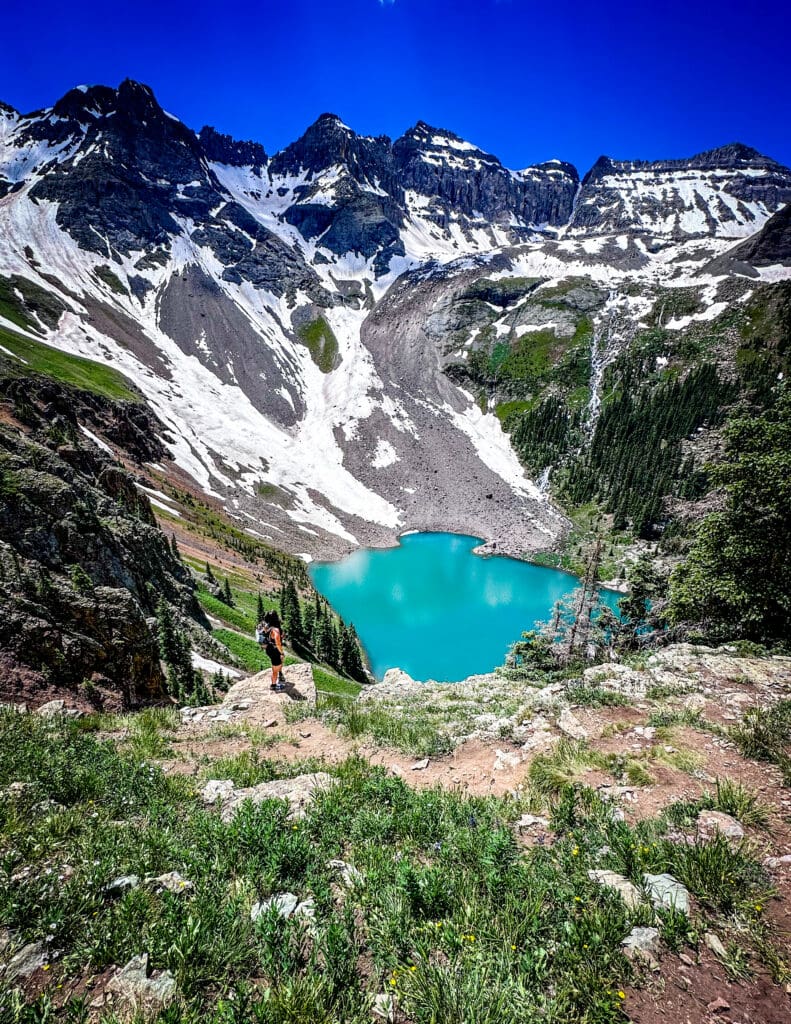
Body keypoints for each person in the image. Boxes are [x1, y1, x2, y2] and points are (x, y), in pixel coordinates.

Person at [257, 609, 285, 691]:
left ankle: (280, 674)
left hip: (269, 649)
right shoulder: (275, 630)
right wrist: (281, 652)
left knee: (280, 661)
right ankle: (273, 685)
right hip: (274, 650)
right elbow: (278, 643)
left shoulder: (267, 626)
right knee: (275, 670)